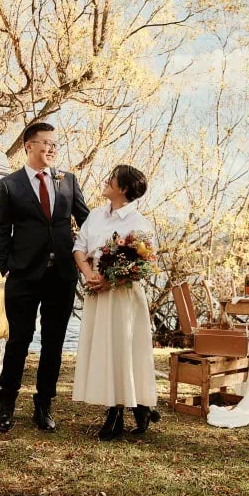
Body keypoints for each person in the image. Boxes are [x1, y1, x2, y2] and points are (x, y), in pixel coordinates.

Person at [0, 122, 90, 433]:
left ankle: (44, 405)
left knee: (53, 344)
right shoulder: (9, 185)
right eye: (44, 143)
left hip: (61, 275)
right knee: (19, 340)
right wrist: (5, 265)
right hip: (23, 275)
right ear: (28, 146)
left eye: (54, 144)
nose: (50, 149)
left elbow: (86, 222)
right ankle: (6, 405)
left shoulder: (68, 181)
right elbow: (1, 230)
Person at [71, 165, 159, 440]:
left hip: (124, 297)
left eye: (111, 179)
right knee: (105, 350)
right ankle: (136, 406)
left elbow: (142, 266)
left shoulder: (140, 225)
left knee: (125, 350)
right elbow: (79, 247)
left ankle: (119, 412)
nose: (105, 181)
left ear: (122, 188)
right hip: (97, 293)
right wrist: (89, 275)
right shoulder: (96, 215)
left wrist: (110, 281)